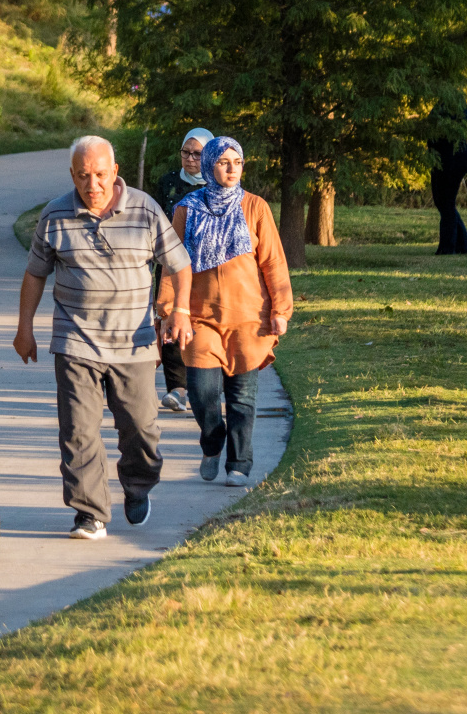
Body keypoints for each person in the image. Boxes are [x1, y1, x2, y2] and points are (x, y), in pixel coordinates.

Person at [17, 135, 192, 540]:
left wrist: (180, 310)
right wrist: (24, 327)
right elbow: (35, 273)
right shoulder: (55, 215)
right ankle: (90, 512)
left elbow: (180, 265)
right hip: (75, 340)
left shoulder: (145, 210)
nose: (91, 184)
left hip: (134, 342)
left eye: (99, 174)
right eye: (82, 176)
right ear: (72, 175)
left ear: (114, 172)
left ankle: (138, 483)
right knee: (78, 430)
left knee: (141, 429)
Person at [171, 136, 293, 487]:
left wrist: (280, 310)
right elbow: (173, 264)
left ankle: (239, 463)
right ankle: (212, 441)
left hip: (248, 320)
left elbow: (273, 263)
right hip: (200, 318)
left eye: (237, 162)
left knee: (241, 398)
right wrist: (168, 310)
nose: (231, 169)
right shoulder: (187, 208)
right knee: (201, 392)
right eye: (223, 162)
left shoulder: (255, 207)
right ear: (209, 165)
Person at [149, 127, 215, 411]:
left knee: (198, 319)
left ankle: (201, 383)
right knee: (170, 318)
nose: (190, 159)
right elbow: (156, 218)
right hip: (170, 261)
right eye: (185, 153)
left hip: (204, 265)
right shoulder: (168, 182)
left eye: (197, 154)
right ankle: (177, 388)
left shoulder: (216, 185)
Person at [427, 99, 467, 255]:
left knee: (446, 201)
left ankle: (448, 247)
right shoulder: (447, 103)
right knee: (443, 201)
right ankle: (463, 245)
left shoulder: (452, 104)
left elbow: (445, 131)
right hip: (448, 157)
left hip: (451, 157)